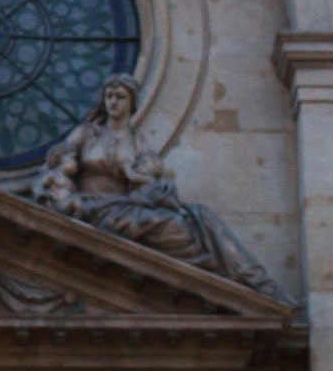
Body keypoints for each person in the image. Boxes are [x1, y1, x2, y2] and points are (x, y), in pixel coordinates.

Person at [35, 73, 294, 303]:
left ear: (131, 103)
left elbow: (153, 181)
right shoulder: (86, 134)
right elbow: (56, 164)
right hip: (92, 207)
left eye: (120, 97)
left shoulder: (138, 141)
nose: (113, 102)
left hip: (124, 207)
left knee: (193, 221)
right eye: (109, 96)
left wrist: (134, 175)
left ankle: (257, 284)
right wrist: (61, 196)